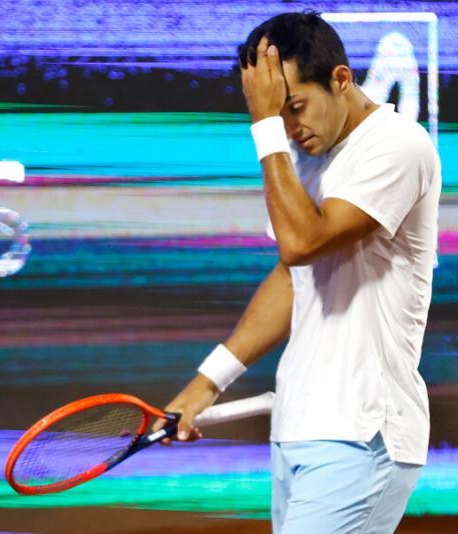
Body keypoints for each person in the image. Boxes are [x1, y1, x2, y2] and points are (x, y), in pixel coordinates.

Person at [157, 11, 441, 534]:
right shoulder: (301, 156)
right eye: (276, 115)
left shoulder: (398, 145)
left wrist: (264, 127)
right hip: (299, 430)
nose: (289, 128)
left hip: (365, 435)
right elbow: (294, 273)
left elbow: (303, 241)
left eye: (294, 108)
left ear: (341, 79)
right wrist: (207, 384)